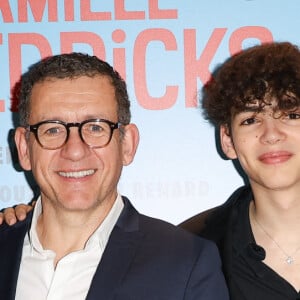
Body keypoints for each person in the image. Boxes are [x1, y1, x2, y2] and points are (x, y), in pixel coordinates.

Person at [0, 52, 229, 299]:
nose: (75, 150)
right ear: (24, 148)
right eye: (53, 129)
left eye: (96, 127)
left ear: (127, 144)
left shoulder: (186, 264)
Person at [180, 41, 300, 300]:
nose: (271, 135)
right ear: (227, 140)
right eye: (251, 120)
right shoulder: (189, 251)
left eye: (291, 114)